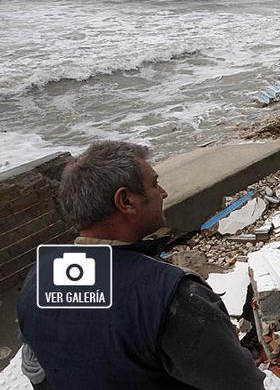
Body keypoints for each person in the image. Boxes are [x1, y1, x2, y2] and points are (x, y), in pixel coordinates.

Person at [17, 141, 266, 390]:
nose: (164, 192)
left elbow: (38, 373)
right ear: (125, 200)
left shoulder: (38, 278)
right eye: (155, 184)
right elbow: (243, 384)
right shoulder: (170, 296)